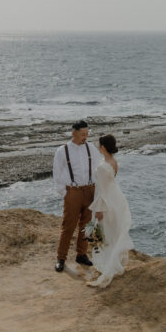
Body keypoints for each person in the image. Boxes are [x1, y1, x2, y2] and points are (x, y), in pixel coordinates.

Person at [52, 120, 100, 272]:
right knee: (68, 226)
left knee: (87, 225)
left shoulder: (91, 148)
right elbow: (57, 173)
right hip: (72, 192)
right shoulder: (62, 151)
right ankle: (61, 258)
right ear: (73, 133)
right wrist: (65, 192)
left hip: (90, 191)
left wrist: (97, 189)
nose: (85, 137)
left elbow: (98, 167)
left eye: (87, 134)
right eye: (82, 134)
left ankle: (82, 254)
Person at [87, 134, 133, 288]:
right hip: (116, 199)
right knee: (112, 232)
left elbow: (101, 190)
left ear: (104, 147)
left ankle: (105, 265)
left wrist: (99, 209)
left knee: (102, 232)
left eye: (99, 145)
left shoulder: (102, 166)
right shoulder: (113, 162)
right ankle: (112, 261)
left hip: (105, 202)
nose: (98, 147)